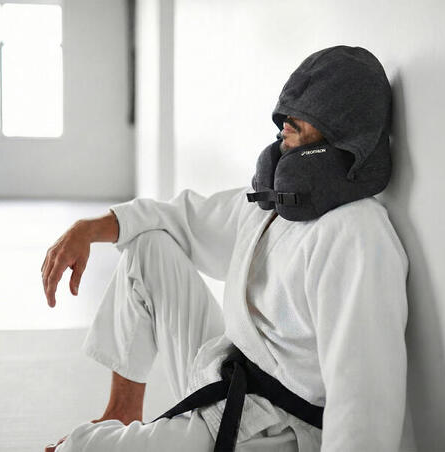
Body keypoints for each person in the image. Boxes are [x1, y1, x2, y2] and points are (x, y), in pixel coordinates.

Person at [42, 45, 410, 452]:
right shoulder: (278, 203)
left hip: (276, 429)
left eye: (305, 114)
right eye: (287, 111)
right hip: (226, 378)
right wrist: (88, 228)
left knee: (81, 448)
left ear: (345, 128)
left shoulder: (357, 235)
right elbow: (185, 218)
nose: (285, 121)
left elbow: (364, 404)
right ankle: (122, 410)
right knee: (149, 246)